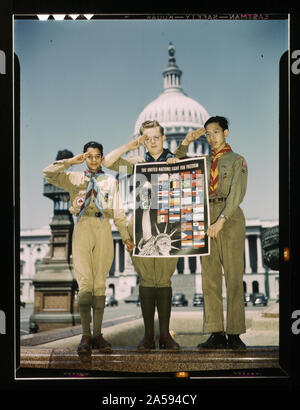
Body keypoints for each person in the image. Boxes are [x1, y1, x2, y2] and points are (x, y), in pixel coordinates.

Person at [103, 120, 203, 351]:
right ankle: (148, 336)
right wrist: (131, 146)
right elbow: (108, 162)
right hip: (140, 224)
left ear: (164, 137)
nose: (152, 141)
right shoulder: (136, 162)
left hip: (168, 225)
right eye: (146, 138)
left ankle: (165, 335)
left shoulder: (176, 160)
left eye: (156, 136)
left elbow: (195, 186)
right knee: (147, 280)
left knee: (164, 280)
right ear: (142, 140)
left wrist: (178, 166)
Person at [43, 141, 135, 354]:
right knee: (84, 284)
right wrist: (70, 162)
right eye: (89, 156)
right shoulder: (74, 178)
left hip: (103, 227)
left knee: (100, 284)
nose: (93, 160)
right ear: (85, 157)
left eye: (97, 156)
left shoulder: (111, 181)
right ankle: (85, 335)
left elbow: (119, 213)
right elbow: (48, 173)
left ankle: (98, 334)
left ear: (102, 158)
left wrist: (126, 237)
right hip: (82, 227)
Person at [175, 116, 248, 349]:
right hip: (206, 216)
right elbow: (178, 162)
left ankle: (235, 333)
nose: (211, 137)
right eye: (207, 134)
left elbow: (237, 192)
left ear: (225, 133)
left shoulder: (237, 160)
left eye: (215, 132)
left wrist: (222, 220)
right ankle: (216, 332)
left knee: (234, 278)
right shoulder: (202, 162)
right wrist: (187, 141)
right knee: (210, 280)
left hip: (230, 215)